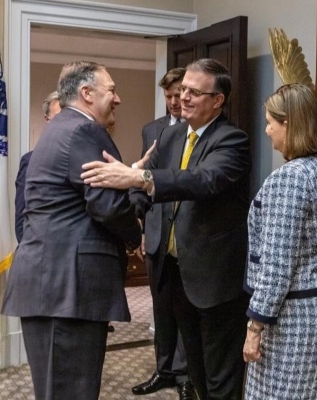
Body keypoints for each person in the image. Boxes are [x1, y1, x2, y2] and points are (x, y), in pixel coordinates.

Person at [81, 58, 252, 400]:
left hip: (213, 278)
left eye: (194, 92)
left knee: (220, 375)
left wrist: (138, 176)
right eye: (183, 89)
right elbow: (143, 187)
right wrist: (132, 216)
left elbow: (202, 180)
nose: (183, 97)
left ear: (217, 100)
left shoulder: (232, 140)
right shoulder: (171, 136)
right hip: (174, 272)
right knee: (195, 369)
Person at [1, 61, 141, 400]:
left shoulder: (59, 128)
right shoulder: (84, 131)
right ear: (86, 93)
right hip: (67, 287)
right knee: (70, 391)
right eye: (111, 90)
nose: (118, 98)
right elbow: (106, 205)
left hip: (52, 284)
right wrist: (136, 226)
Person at [242, 84, 317, 399]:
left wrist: (254, 328)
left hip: (293, 318)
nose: (267, 130)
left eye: (270, 122)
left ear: (288, 124)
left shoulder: (289, 178)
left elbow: (276, 267)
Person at [131, 67, 195, 399]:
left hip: (186, 235)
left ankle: (185, 375)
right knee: (161, 306)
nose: (174, 101)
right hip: (156, 232)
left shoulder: (198, 131)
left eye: (178, 94)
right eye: (168, 96)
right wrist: (141, 229)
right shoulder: (151, 130)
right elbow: (145, 181)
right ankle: (164, 369)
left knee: (185, 308)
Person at [15, 91, 61, 243]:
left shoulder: (83, 157)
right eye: (59, 117)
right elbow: (22, 215)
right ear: (47, 119)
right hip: (39, 248)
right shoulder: (30, 161)